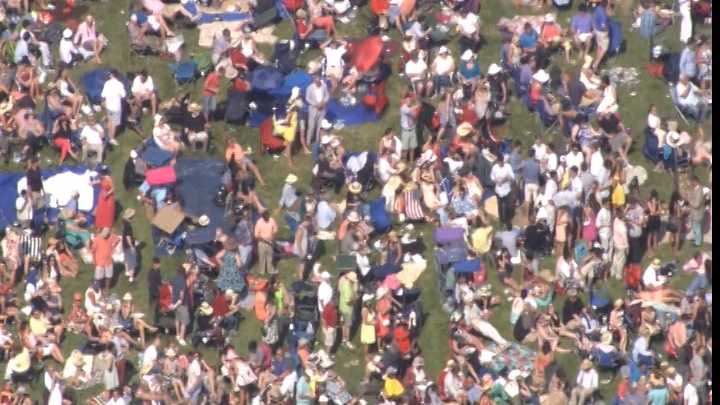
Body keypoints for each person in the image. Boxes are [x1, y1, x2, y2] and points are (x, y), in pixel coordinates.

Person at [100, 70, 126, 146]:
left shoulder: (107, 83)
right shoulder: (119, 84)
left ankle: (108, 135)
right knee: (114, 123)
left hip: (108, 106)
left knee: (110, 120)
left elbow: (103, 95)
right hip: (116, 106)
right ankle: (111, 138)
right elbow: (123, 95)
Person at [91, 228, 119, 293]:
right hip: (99, 261)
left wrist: (114, 246)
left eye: (106, 236)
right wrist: (94, 260)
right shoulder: (97, 239)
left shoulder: (112, 236)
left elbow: (118, 239)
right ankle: (99, 288)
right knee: (98, 277)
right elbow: (93, 251)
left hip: (108, 261)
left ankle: (107, 288)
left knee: (109, 276)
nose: (105, 237)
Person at [304, 74, 330, 149]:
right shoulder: (310, 88)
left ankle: (317, 140)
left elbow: (327, 96)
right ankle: (308, 141)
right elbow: (307, 98)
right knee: (311, 126)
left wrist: (323, 102)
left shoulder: (324, 86)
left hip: (322, 109)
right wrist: (315, 104)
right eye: (317, 81)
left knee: (319, 126)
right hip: (313, 109)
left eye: (319, 81)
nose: (319, 83)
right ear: (314, 81)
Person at [254, 210, 278, 275]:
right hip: (262, 242)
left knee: (270, 256)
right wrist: (265, 241)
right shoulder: (259, 222)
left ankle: (270, 270)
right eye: (265, 217)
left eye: (267, 216)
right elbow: (256, 235)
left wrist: (273, 239)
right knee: (262, 256)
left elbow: (275, 230)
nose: (266, 218)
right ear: (262, 217)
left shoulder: (272, 220)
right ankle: (262, 271)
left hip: (271, 241)